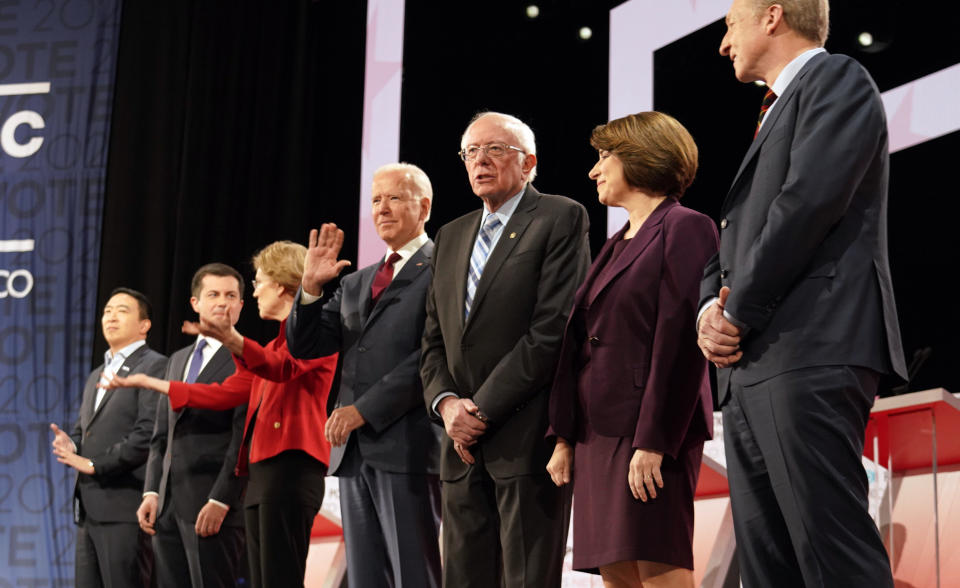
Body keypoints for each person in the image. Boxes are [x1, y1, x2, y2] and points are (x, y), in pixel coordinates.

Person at [697, 1, 907, 586]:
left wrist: (734, 310)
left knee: (831, 554)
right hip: (752, 366)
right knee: (769, 567)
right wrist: (706, 311)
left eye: (728, 25)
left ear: (772, 16)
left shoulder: (836, 79)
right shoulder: (772, 111)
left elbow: (807, 205)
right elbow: (733, 237)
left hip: (809, 348)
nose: (722, 44)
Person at [420, 111, 591, 587]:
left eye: (496, 149)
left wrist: (481, 408)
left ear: (529, 162)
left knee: (526, 578)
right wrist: (447, 404)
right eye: (471, 152)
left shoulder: (560, 216)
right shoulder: (450, 236)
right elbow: (433, 339)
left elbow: (552, 329)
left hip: (524, 435)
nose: (481, 160)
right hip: (459, 444)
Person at [546, 112, 718, 587]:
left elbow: (682, 340)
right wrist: (565, 436)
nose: (593, 170)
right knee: (617, 573)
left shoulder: (687, 227)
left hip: (651, 429)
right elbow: (582, 345)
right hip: (598, 433)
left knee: (657, 565)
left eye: (604, 157)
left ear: (642, 158)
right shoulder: (614, 244)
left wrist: (654, 440)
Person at [110, 241, 337, 588]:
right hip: (262, 473)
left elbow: (282, 368)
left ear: (280, 284)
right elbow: (224, 393)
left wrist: (233, 340)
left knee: (281, 578)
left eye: (259, 282)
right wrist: (154, 383)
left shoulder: (314, 334)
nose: (255, 291)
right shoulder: (274, 344)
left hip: (291, 467)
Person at [286, 163, 443, 587]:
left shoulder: (443, 268)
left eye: (394, 198)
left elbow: (433, 356)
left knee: (415, 573)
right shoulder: (356, 282)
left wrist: (363, 410)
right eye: (375, 200)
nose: (382, 208)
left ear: (423, 206)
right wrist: (311, 290)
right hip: (354, 455)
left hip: (408, 447)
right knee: (365, 578)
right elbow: (305, 346)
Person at [50, 287, 167, 588]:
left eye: (122, 310)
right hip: (89, 509)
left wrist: (93, 464)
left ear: (145, 325)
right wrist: (71, 444)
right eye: (107, 311)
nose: (111, 316)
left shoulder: (155, 365)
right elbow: (82, 429)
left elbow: (147, 435)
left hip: (126, 507)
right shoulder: (97, 374)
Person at [139, 263, 247, 588]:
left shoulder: (246, 358)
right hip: (168, 506)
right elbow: (162, 435)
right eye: (213, 294)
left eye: (231, 295)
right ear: (195, 303)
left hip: (212, 506)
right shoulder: (177, 359)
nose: (222, 302)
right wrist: (152, 490)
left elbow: (244, 438)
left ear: (242, 304)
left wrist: (221, 499)